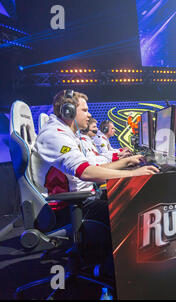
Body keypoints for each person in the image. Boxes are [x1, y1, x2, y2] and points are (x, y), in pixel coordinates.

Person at [31, 90, 159, 267]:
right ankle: (117, 273)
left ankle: (110, 266)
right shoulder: (55, 136)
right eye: (84, 110)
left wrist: (127, 163)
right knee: (134, 213)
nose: (89, 114)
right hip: (66, 209)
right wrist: (133, 174)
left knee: (131, 202)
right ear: (68, 111)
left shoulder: (65, 134)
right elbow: (86, 172)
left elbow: (92, 168)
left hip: (76, 201)